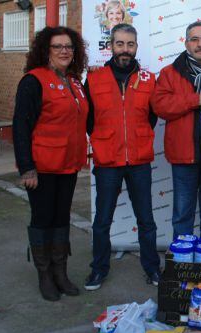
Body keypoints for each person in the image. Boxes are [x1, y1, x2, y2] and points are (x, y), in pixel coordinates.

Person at [12, 26, 89, 301]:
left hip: (68, 166)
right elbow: (21, 126)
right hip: (42, 168)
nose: (64, 51)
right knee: (43, 220)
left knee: (61, 219)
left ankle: (61, 273)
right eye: (58, 46)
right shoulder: (33, 81)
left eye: (68, 46)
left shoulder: (75, 81)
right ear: (46, 50)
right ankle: (45, 275)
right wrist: (26, 167)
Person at [83, 24, 160, 291]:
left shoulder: (149, 79)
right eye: (120, 44)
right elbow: (88, 118)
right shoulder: (93, 79)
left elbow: (151, 117)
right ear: (111, 46)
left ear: (136, 47)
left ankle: (152, 268)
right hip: (107, 162)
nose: (124, 49)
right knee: (102, 221)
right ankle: (99, 269)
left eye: (130, 44)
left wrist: (135, 138)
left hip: (139, 161)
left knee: (146, 220)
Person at [151, 21, 201, 238]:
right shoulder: (169, 72)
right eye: (195, 39)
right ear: (186, 44)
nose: (200, 44)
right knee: (183, 215)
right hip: (184, 157)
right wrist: (196, 99)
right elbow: (160, 106)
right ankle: (182, 265)